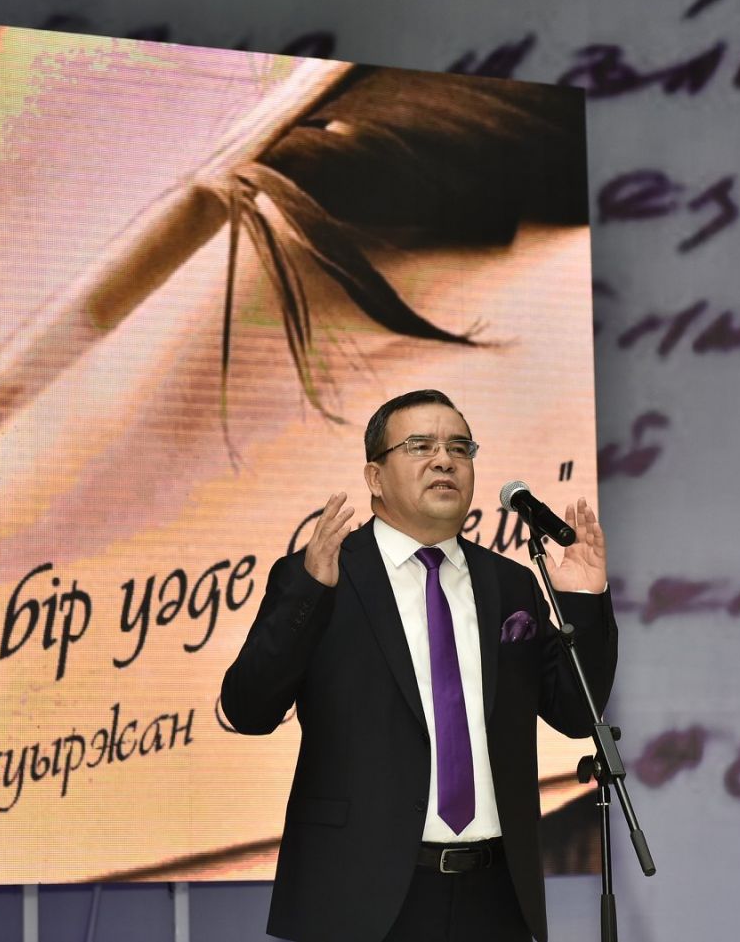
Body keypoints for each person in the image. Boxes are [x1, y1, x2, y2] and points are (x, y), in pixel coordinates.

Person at [221, 389, 619, 942]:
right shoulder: (323, 575)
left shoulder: (509, 584)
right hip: (359, 895)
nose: (444, 460)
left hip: (495, 895)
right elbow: (248, 710)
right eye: (420, 446)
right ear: (375, 477)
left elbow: (577, 714)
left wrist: (583, 600)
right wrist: (308, 595)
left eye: (459, 447)